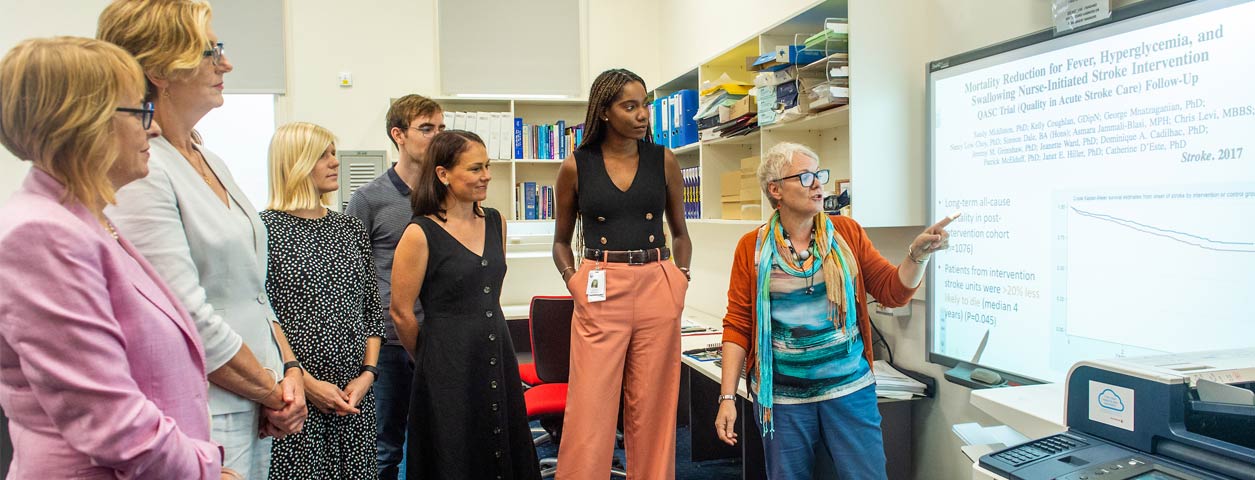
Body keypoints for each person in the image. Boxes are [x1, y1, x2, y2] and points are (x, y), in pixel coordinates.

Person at [0, 36, 238, 479]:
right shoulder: (42, 233)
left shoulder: (85, 218)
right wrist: (204, 469)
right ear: (85, 122)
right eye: (140, 111)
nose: (152, 128)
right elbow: (110, 418)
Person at [98, 1, 307, 476]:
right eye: (210, 51)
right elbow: (182, 314)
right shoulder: (143, 168)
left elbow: (254, 294)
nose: (226, 64)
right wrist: (274, 390)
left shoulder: (208, 155)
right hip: (201, 408)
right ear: (159, 68)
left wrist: (290, 371)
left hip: (254, 400)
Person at [714, 142, 955, 480]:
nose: (818, 184)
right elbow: (738, 324)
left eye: (820, 174)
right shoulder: (751, 248)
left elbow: (892, 291)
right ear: (775, 189)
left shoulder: (847, 234)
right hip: (783, 399)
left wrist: (918, 255)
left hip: (849, 390)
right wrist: (727, 397)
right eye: (806, 176)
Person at [551, 68, 692, 479]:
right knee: (589, 410)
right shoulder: (576, 166)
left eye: (645, 104)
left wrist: (679, 279)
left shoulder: (663, 160)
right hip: (598, 285)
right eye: (630, 106)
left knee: (653, 408)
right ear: (605, 112)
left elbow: (680, 233)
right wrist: (574, 280)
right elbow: (561, 241)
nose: (642, 114)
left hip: (658, 284)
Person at [390, 130, 541, 480]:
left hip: (496, 348)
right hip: (446, 360)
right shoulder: (419, 233)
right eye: (475, 168)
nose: (486, 175)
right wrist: (430, 357)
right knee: (455, 450)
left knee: (503, 440)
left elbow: (490, 286)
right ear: (443, 174)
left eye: (487, 166)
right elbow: (400, 311)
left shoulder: (495, 222)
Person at [260, 122, 385, 479]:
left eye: (334, 153)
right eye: (323, 156)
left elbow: (371, 310)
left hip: (354, 395)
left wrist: (367, 375)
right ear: (295, 163)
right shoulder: (264, 229)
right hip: (296, 394)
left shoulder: (349, 228)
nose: (335, 162)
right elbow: (265, 317)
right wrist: (307, 384)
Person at [344, 94, 445, 479]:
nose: (436, 137)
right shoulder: (368, 200)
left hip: (437, 335)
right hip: (388, 343)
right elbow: (352, 276)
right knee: (386, 446)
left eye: (441, 129)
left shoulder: (446, 195)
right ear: (398, 135)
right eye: (426, 129)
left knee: (438, 440)